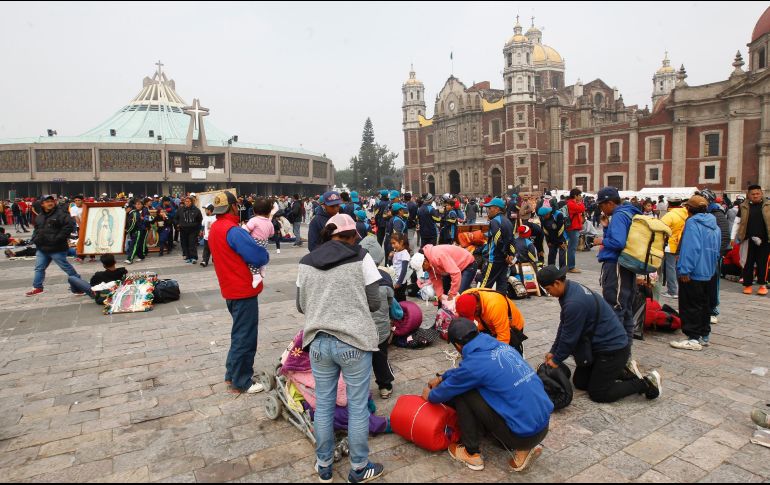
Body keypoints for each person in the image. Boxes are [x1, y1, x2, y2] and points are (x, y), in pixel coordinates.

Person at [296, 213, 385, 484]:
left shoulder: (306, 261)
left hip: (319, 342)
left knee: (323, 405)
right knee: (358, 407)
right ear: (349, 236)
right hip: (354, 341)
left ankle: (324, 465)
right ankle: (359, 468)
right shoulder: (361, 257)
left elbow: (301, 305)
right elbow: (374, 301)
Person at [423, 318, 552, 473]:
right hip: (542, 426)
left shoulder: (475, 365)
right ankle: (523, 449)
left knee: (464, 393)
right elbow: (469, 371)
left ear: (457, 345)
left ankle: (471, 454)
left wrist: (430, 395)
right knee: (484, 387)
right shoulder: (502, 347)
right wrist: (442, 377)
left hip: (522, 435)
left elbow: (443, 393)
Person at [537, 265, 662, 403]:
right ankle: (622, 371)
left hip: (613, 350)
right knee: (580, 382)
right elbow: (565, 324)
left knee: (599, 393)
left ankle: (646, 383)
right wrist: (553, 351)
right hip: (599, 348)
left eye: (548, 290)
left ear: (557, 282)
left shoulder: (574, 302)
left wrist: (556, 360)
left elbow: (569, 338)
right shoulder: (570, 289)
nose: (549, 294)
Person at [208, 191, 270, 395]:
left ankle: (231, 374)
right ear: (234, 207)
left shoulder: (215, 227)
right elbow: (258, 255)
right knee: (245, 336)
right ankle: (242, 381)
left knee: (238, 333)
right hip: (242, 288)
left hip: (229, 288)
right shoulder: (233, 230)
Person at [670, 195, 721, 351]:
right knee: (704, 303)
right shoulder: (714, 225)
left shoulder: (693, 223)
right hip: (709, 270)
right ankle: (704, 335)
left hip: (694, 270)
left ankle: (693, 338)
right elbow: (717, 249)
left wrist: (685, 269)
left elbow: (691, 248)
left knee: (690, 304)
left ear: (689, 209)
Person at [593, 187, 642, 345]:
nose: (601, 209)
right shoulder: (629, 212)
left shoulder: (620, 216)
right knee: (626, 309)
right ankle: (625, 351)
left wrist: (601, 240)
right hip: (625, 266)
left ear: (609, 203)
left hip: (617, 266)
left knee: (615, 307)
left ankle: (616, 351)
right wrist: (607, 227)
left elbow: (618, 243)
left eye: (602, 205)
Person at [25, 195, 81, 297]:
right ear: (42, 204)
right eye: (47, 202)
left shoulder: (61, 214)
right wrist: (35, 239)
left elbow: (68, 226)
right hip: (42, 248)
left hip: (57, 248)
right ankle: (37, 287)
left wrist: (57, 239)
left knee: (66, 268)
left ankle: (79, 286)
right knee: (39, 268)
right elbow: (36, 230)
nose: (50, 203)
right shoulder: (40, 216)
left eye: (51, 201)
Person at [454, 288, 526, 353]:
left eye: (473, 314)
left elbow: (504, 338)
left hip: (511, 328)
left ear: (477, 306)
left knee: (510, 356)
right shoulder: (463, 297)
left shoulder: (495, 306)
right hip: (487, 323)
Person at [731, 185, 770, 296]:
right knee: (747, 263)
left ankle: (762, 285)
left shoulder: (768, 205)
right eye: (753, 194)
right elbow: (737, 222)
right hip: (747, 239)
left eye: (757, 193)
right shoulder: (743, 206)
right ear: (748, 195)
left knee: (763, 263)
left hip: (765, 240)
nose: (755, 196)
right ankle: (747, 285)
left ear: (761, 194)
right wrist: (732, 237)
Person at [700, 189, 730, 324]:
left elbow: (724, 235)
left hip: (713, 255)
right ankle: (702, 307)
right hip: (702, 255)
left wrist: (718, 254)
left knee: (712, 283)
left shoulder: (717, 214)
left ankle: (712, 309)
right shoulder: (702, 213)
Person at [410, 244, 477, 301]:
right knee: (443, 296)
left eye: (423, 269)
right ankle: (441, 315)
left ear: (424, 262)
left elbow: (455, 273)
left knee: (457, 297)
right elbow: (435, 279)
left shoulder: (437, 256)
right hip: (452, 269)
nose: (424, 271)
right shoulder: (427, 262)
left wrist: (452, 294)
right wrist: (440, 295)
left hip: (467, 264)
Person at [480, 198, 514, 293]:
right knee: (502, 287)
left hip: (494, 259)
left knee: (484, 287)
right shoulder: (508, 221)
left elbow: (497, 240)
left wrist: (505, 254)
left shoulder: (495, 221)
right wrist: (511, 254)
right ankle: (501, 306)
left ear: (497, 209)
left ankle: (481, 306)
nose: (488, 210)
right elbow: (512, 240)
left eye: (490, 208)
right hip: (504, 261)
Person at [372, 269, 396, 399]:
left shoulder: (350, 273)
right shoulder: (384, 277)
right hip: (380, 328)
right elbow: (390, 303)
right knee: (380, 356)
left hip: (357, 329)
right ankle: (385, 386)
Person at [660, 196, 689, 299]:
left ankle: (672, 290)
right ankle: (679, 289)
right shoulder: (686, 213)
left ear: (669, 203)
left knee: (670, 268)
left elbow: (660, 227)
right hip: (681, 244)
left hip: (671, 244)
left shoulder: (670, 215)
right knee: (677, 268)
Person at [245, 198, 276, 288]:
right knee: (262, 256)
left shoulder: (253, 220)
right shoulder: (269, 222)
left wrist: (242, 227)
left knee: (252, 260)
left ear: (254, 211)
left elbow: (246, 230)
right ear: (269, 212)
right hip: (264, 242)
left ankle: (256, 276)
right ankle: (262, 268)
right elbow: (271, 234)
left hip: (255, 243)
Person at [176, 197, 203, 264]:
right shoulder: (181, 209)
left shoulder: (196, 210)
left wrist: (199, 229)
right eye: (186, 201)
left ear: (192, 202)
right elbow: (175, 218)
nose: (187, 203)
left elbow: (200, 220)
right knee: (185, 243)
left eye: (188, 201)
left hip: (193, 230)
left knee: (192, 243)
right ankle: (188, 257)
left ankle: (193, 257)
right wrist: (177, 224)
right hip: (183, 229)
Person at [565, 188, 585, 273]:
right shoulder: (571, 203)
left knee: (571, 247)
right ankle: (571, 267)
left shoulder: (571, 203)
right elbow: (582, 208)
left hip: (573, 227)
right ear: (575, 195)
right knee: (572, 248)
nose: (581, 197)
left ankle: (569, 266)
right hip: (573, 228)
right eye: (579, 195)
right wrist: (580, 202)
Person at [124, 198, 149, 265]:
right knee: (137, 245)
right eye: (136, 204)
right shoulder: (131, 213)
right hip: (134, 231)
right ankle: (141, 256)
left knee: (133, 245)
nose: (125, 209)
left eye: (127, 208)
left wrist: (127, 231)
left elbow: (133, 224)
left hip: (137, 231)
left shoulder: (134, 213)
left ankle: (130, 259)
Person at [390, 232, 411, 302]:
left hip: (401, 282)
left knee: (401, 299)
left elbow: (404, 270)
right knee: (396, 298)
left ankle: (402, 311)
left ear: (401, 242)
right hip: (395, 280)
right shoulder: (396, 252)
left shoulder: (404, 253)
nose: (392, 246)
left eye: (394, 243)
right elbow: (393, 265)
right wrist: (390, 257)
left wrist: (399, 282)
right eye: (391, 243)